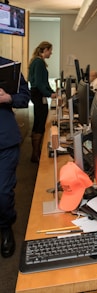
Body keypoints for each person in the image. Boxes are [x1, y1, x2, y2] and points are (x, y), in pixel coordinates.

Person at [0, 56, 30, 257]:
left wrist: (8, 98)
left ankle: (5, 227)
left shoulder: (8, 67)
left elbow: (24, 98)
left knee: (2, 193)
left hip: (5, 141)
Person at [28, 41, 57, 163]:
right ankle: (36, 154)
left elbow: (43, 83)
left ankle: (36, 152)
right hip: (39, 95)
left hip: (37, 94)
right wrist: (49, 94)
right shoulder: (39, 62)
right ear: (44, 50)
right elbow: (40, 83)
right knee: (40, 122)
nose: (51, 52)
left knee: (38, 121)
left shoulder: (36, 61)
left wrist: (52, 91)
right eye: (50, 50)